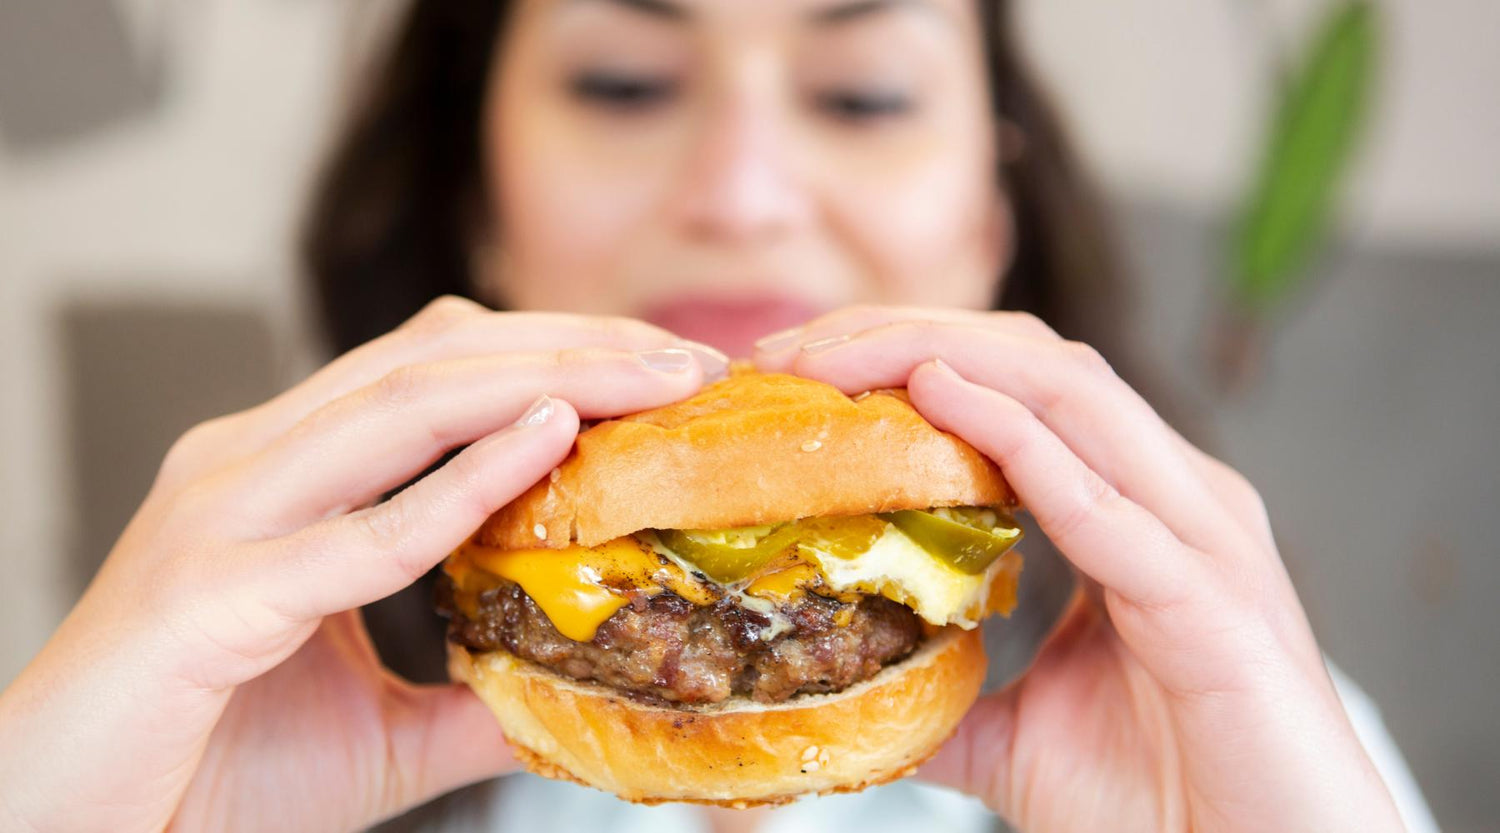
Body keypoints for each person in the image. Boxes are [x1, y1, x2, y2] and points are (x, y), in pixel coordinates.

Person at [0, 1, 1430, 831]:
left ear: (991, 208)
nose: (743, 193)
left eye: (863, 95)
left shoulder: (1261, 753)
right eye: (625, 82)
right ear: (478, 200)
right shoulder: (208, 734)